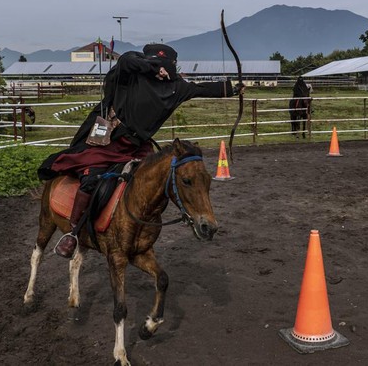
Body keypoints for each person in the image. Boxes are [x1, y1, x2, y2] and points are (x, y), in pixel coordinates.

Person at [38, 43, 244, 258]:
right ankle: (73, 233)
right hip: (109, 140)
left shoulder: (177, 87)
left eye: (168, 65)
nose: (167, 69)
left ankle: (139, 229)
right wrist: (152, 68)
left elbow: (202, 89)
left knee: (153, 184)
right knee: (91, 178)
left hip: (138, 146)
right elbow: (127, 59)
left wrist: (232, 88)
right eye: (163, 64)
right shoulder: (132, 75)